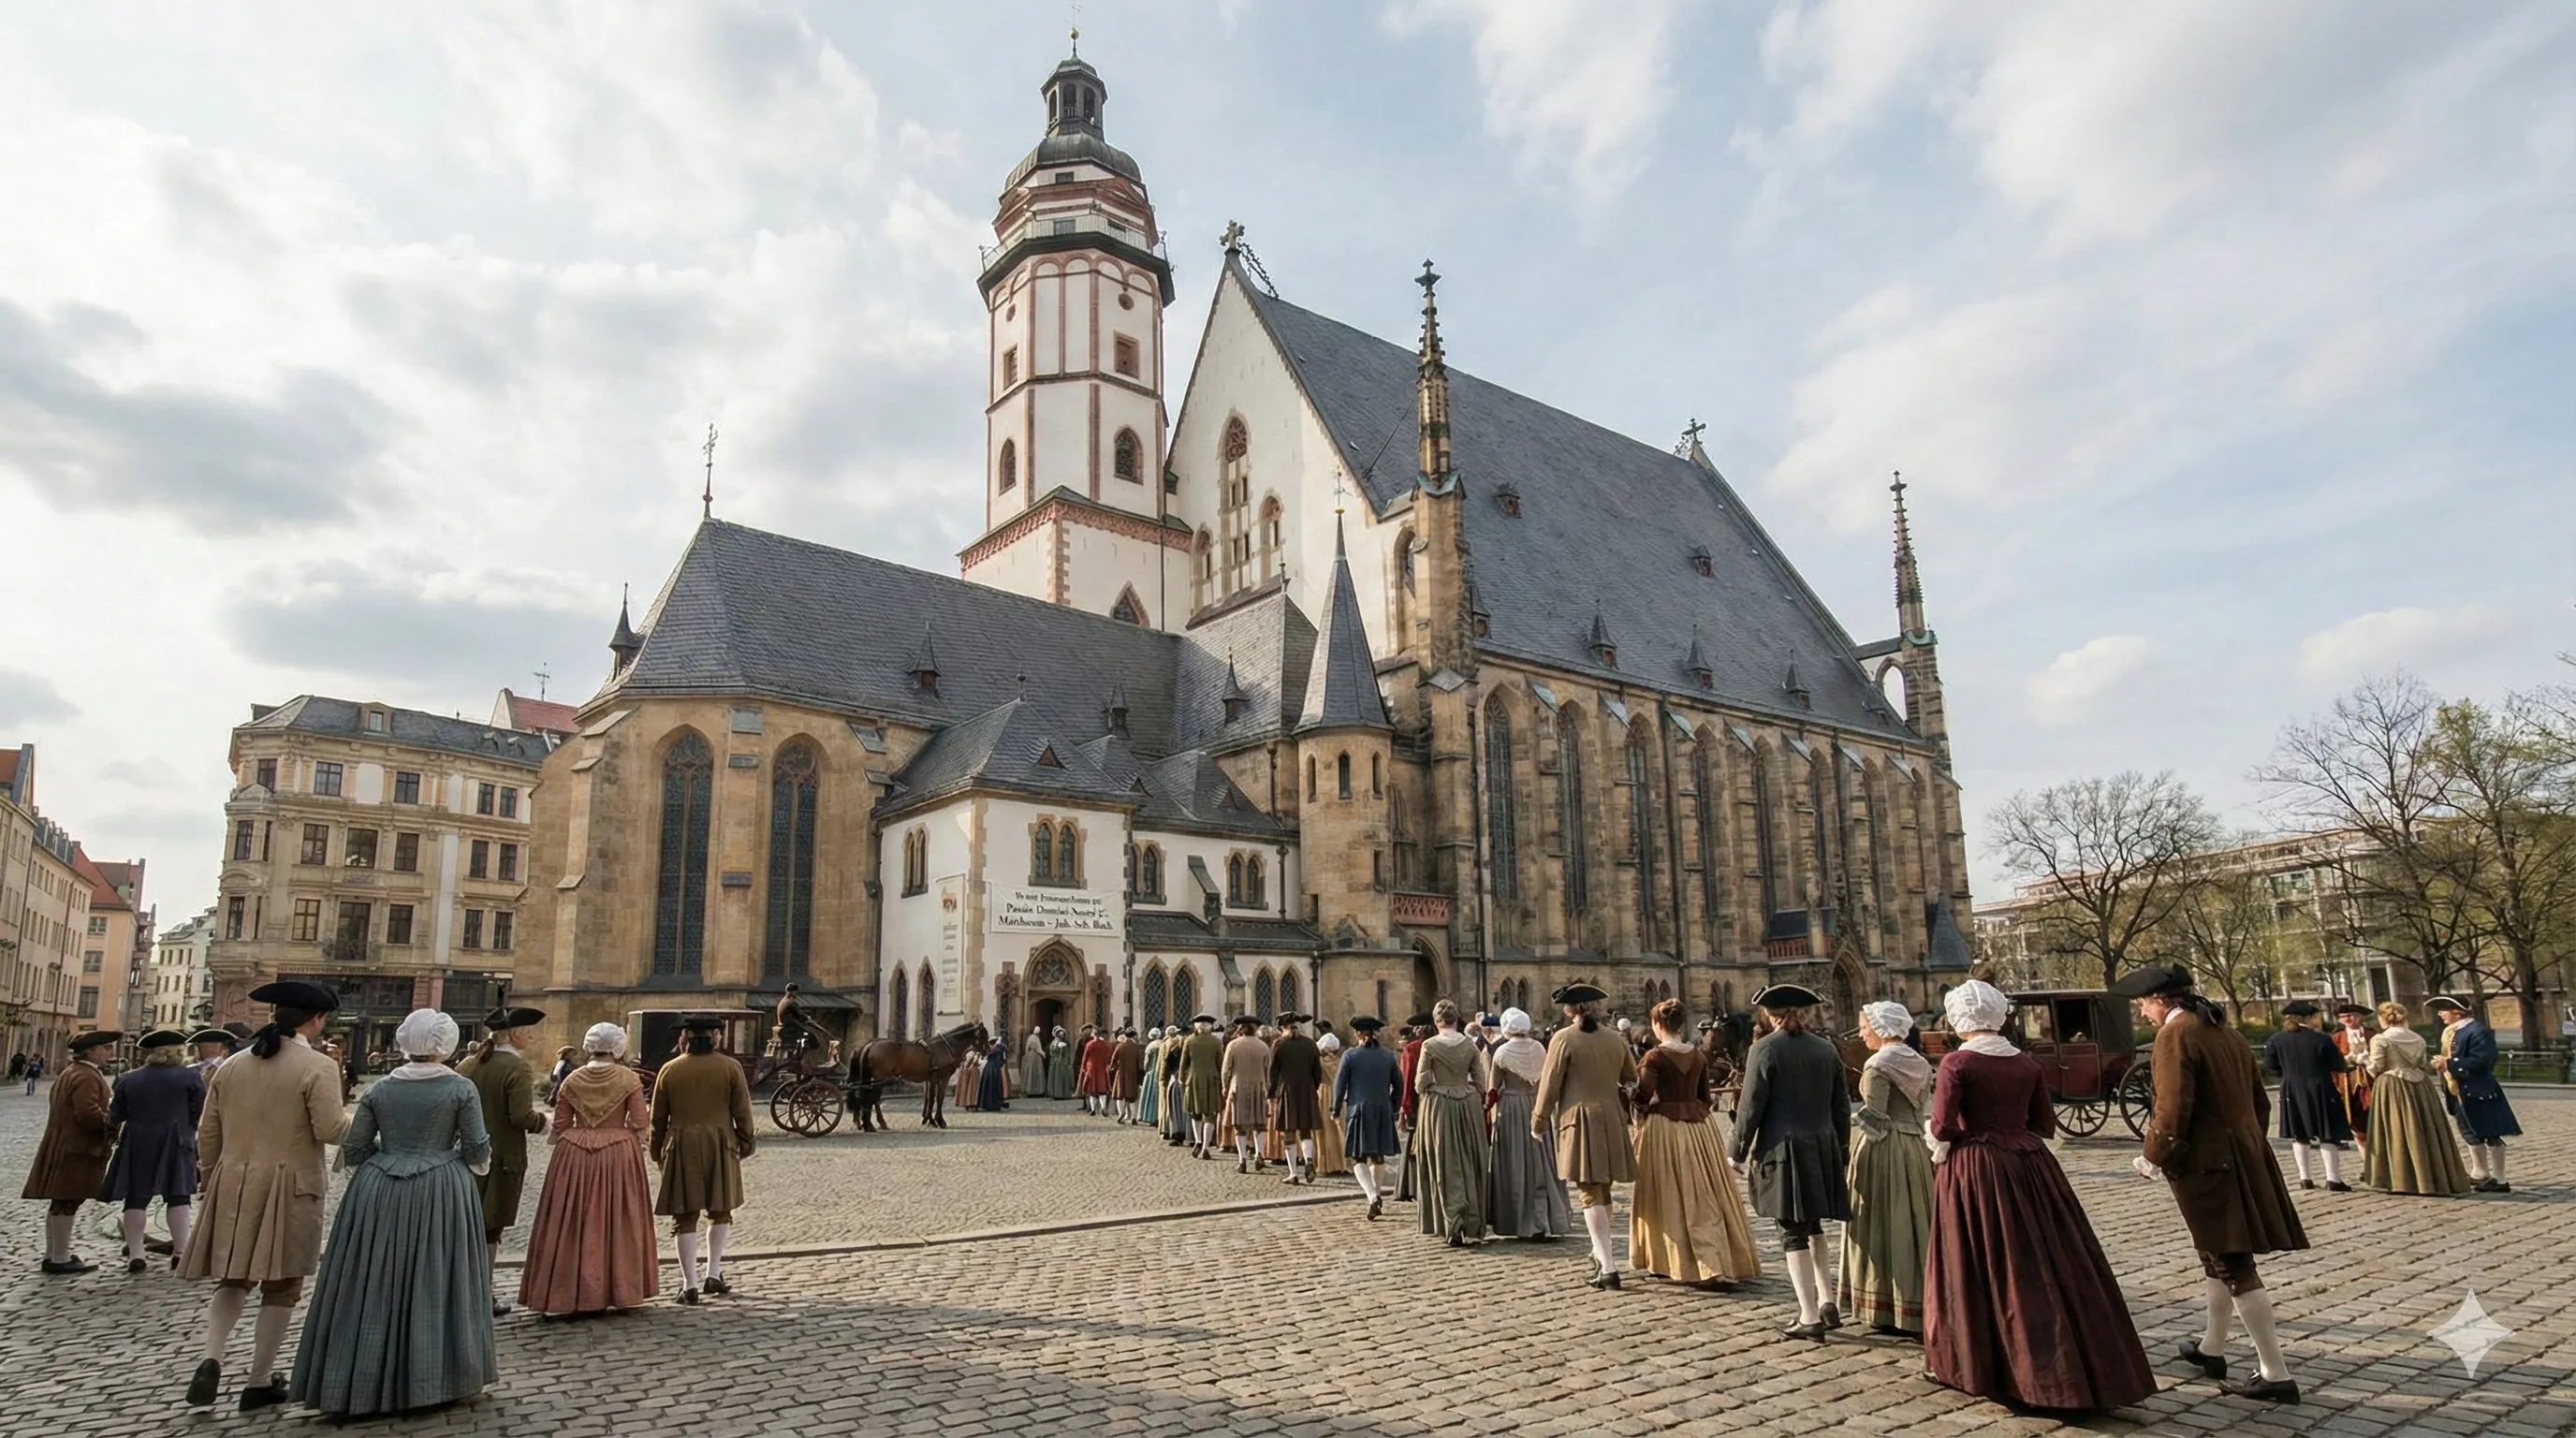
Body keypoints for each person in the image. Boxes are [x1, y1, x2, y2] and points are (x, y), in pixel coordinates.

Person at [1923, 980, 2155, 1412]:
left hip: (1978, 1169)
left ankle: (1987, 1364)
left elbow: (1943, 1127)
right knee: (2044, 1258)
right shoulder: (2025, 1062)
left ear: (1959, 1018)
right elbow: (2043, 1123)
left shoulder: (1958, 1062)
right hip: (2030, 1164)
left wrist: (1947, 1141)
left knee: (1981, 1260)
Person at [2115, 964, 2307, 1405]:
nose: (2143, 1013)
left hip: (2207, 1163)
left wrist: (2154, 1156)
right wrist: (2247, 1145)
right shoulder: (2225, 1031)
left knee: (2232, 1262)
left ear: (2160, 1000)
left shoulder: (2175, 1034)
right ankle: (2212, 1347)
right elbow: (2259, 1102)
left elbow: (2171, 1107)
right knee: (2214, 1255)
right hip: (2238, 1154)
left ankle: (2275, 1372)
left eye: (2143, 1004)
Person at [289, 1009, 495, 1417]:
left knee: (372, 1277)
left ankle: (359, 1376)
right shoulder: (460, 1088)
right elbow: (476, 1148)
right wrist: (448, 1157)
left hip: (379, 1190)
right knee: (438, 1274)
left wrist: (392, 1154)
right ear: (444, 1045)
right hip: (439, 1189)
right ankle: (437, 1376)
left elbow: (356, 1147)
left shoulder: (381, 1088)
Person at [182, 981, 351, 1412]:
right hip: (291, 1186)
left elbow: (207, 1132)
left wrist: (210, 1177)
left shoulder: (232, 1065)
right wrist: (366, 1123)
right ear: (316, 1020)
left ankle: (212, 1356)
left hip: (234, 1181)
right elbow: (330, 1129)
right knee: (283, 1284)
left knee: (233, 1276)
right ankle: (259, 1379)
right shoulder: (317, 1065)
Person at [1728, 984, 1850, 1338]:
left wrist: (1736, 1150)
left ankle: (1809, 1316)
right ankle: (1827, 1301)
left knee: (1792, 1231)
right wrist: (1841, 1150)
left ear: (1771, 1015)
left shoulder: (1764, 1049)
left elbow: (1750, 1107)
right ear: (1805, 1014)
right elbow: (1841, 1107)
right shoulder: (1826, 1049)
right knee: (1814, 1225)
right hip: (1822, 1145)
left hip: (1783, 1150)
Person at [520, 1022, 659, 1317]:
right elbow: (639, 1122)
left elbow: (560, 1125)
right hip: (618, 1152)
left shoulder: (573, 1078)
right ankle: (618, 1290)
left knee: (570, 1219)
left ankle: (567, 1291)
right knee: (618, 1218)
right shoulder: (629, 1078)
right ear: (617, 1047)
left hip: (575, 1154)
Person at [1630, 1000, 1758, 1289]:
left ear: (1658, 1025)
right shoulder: (1698, 1056)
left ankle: (1673, 1258)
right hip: (1700, 1128)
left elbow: (1642, 1096)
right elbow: (1705, 1098)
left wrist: (1632, 1098)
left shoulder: (1654, 1057)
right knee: (1706, 1190)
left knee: (1667, 1191)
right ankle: (1717, 1255)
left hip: (1664, 1128)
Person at [1532, 984, 1636, 1290]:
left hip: (1579, 1119)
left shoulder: (1563, 1038)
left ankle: (1608, 1266)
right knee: (1602, 1189)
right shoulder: (1616, 1039)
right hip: (1611, 1117)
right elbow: (1631, 1078)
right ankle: (1599, 1253)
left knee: (1589, 1192)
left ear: (1569, 1010)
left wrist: (1538, 1120)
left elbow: (1549, 1085)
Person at [1840, 1000, 1934, 1336]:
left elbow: (1876, 1121)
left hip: (1885, 1150)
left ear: (1881, 1028)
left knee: (1883, 1222)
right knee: (1915, 1221)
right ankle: (1922, 1296)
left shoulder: (1877, 1065)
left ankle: (1887, 1302)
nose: (1861, 1033)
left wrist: (1846, 1123)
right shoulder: (1919, 1061)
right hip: (1915, 1147)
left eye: (1865, 1027)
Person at [651, 1014, 756, 1304]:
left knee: (684, 1216)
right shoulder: (731, 1068)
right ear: (716, 1037)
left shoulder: (669, 1069)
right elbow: (742, 1112)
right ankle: (713, 1273)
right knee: (720, 1211)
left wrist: (656, 1150)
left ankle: (689, 1285)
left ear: (685, 1038)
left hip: (681, 1146)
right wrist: (746, 1142)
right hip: (720, 1145)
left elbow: (657, 1118)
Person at [455, 1005, 548, 1316]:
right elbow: (520, 1116)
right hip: (501, 1158)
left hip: (465, 1155)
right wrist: (545, 1123)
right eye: (528, 1032)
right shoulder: (516, 1067)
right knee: (490, 1228)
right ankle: (483, 1293)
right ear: (516, 1033)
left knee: (464, 1224)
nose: (531, 1037)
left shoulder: (468, 1063)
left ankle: (460, 1290)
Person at [99, 1028, 205, 1273]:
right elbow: (199, 1109)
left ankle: (136, 1254)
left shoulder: (128, 1078)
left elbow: (115, 1115)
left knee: (136, 1197)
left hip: (138, 1141)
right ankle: (180, 1252)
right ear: (175, 1052)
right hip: (178, 1140)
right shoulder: (189, 1076)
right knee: (178, 1195)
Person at [23, 1029, 121, 1274]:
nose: (109, 1053)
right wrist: (112, 1124)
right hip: (78, 1147)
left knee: (62, 1201)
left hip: (66, 1144)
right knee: (68, 1200)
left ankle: (54, 1254)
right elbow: (88, 1114)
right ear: (91, 1051)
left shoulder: (72, 1071)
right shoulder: (86, 1076)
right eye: (105, 1048)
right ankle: (59, 1258)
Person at [2361, 1000, 2472, 1196]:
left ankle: (2402, 1180)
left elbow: (2375, 1067)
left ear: (2383, 1018)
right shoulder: (2417, 1038)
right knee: (2424, 1129)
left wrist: (2361, 1059)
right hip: (2420, 1087)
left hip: (2392, 1085)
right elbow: (2422, 1064)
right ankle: (2431, 1177)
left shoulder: (2380, 1039)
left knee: (2397, 1130)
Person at [1485, 1008, 1570, 1240]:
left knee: (1516, 1160)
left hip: (1512, 1107)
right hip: (1536, 1103)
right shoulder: (1539, 1048)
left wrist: (1486, 1109)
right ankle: (1543, 1217)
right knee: (1541, 1159)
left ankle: (1518, 1219)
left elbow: (1493, 1090)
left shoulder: (1502, 1051)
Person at [1413, 1001, 1491, 1246]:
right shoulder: (1469, 1044)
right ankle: (1471, 1219)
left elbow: (1420, 1083)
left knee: (1443, 1160)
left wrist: (1435, 1087)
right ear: (1456, 1019)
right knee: (1469, 1159)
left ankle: (1451, 1222)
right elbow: (1480, 1081)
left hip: (1439, 1105)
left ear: (1436, 1022)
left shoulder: (1429, 1045)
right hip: (1467, 1104)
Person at [2430, 995, 2520, 1193]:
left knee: (2490, 1133)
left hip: (2478, 1089)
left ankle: (2500, 1179)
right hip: (2458, 1089)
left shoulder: (2477, 1031)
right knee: (2469, 1132)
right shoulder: (2452, 1031)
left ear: (2458, 1012)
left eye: (2444, 1009)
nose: (2440, 1014)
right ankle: (2480, 1173)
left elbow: (2484, 1060)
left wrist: (2449, 1064)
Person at [2262, 1000, 2351, 1192]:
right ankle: (2333, 1179)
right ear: (2308, 1018)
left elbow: (2270, 1067)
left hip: (2291, 1089)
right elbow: (2338, 1065)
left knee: (2299, 1133)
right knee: (2327, 1133)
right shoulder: (2321, 1039)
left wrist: (2288, 1074)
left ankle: (2305, 1178)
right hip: (2320, 1087)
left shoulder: (2276, 1039)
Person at [1331, 1016, 1404, 1217]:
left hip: (1358, 1110)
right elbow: (1399, 1086)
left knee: (1359, 1157)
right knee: (1378, 1156)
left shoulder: (1350, 1055)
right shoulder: (1388, 1055)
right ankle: (1376, 1193)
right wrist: (1393, 1107)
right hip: (1382, 1109)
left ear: (1357, 1033)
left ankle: (1372, 1196)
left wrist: (1335, 1109)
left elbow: (1340, 1086)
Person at [1268, 1014, 1325, 1184]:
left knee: (1289, 1131)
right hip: (1307, 1089)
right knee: (1306, 1131)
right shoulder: (1310, 1043)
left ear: (1283, 1027)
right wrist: (1313, 1087)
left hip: (1287, 1090)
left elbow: (1273, 1072)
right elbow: (1317, 1071)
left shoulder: (1279, 1044)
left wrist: (1271, 1092)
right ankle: (1308, 1160)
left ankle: (1293, 1173)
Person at [1220, 1017, 1272, 1174]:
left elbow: (1226, 1069)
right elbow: (1268, 1070)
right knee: (1259, 1123)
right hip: (1259, 1087)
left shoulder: (1233, 1045)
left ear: (1241, 1029)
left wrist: (1225, 1086)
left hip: (1238, 1087)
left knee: (1239, 1125)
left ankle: (1242, 1159)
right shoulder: (1263, 1046)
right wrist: (1267, 1087)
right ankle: (1258, 1153)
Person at [1177, 1014, 1225, 1158]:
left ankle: (1198, 1140)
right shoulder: (1216, 1042)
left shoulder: (1189, 1040)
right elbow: (1220, 1063)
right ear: (1210, 1026)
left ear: (1196, 1026)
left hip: (1193, 1079)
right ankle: (1205, 1147)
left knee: (1195, 1112)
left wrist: (1182, 1078)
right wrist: (1223, 1082)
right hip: (1212, 1080)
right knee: (1209, 1115)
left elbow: (1183, 1063)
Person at [2328, 1004, 2373, 1150]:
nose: (2347, 1019)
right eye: (2343, 1017)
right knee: (2356, 1119)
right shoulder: (2336, 1037)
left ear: (2360, 1017)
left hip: (2371, 1080)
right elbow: (2332, 1064)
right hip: (2347, 1082)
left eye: (2351, 1015)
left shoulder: (2372, 1034)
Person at [1312, 1030, 1350, 1177]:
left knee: (1324, 1129)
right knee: (1339, 1128)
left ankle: (1326, 1164)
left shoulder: (1319, 1062)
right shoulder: (1341, 1061)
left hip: (1323, 1093)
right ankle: (1343, 1163)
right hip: (1338, 1094)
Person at [1110, 1027, 1146, 1124]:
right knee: (1132, 1096)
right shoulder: (1137, 1047)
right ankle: (1134, 1117)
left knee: (1120, 1095)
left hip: (1121, 1073)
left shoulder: (1120, 1046)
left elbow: (1113, 1059)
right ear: (1134, 1036)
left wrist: (1114, 1067)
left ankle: (1121, 1114)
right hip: (1133, 1073)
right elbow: (1140, 1062)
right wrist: (1140, 1073)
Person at [1076, 1025, 1114, 1116]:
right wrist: (1108, 1064)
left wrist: (1083, 1068)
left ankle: (1093, 1109)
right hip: (1102, 1068)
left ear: (1094, 1034)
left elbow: (1085, 1057)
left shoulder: (1090, 1044)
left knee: (1091, 1090)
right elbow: (1108, 1056)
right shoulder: (1106, 1044)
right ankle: (1103, 1107)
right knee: (1102, 1089)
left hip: (1091, 1068)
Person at [773, 983, 814, 1062]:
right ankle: (804, 1055)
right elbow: (800, 1014)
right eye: (796, 992)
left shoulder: (783, 1000)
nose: (797, 994)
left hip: (783, 1024)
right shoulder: (791, 1002)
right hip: (789, 1025)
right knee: (810, 1033)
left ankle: (798, 1053)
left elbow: (795, 1014)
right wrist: (807, 1018)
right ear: (793, 992)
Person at [973, 1033, 1011, 1112]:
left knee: (990, 1088)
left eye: (990, 1045)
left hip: (991, 1070)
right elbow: (1002, 1061)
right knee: (992, 1087)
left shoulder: (996, 1050)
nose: (989, 1046)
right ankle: (993, 1104)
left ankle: (991, 1104)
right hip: (993, 1070)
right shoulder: (999, 1049)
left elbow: (993, 1057)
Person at [1136, 1028, 1164, 1128]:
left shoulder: (1150, 1046)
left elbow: (1147, 1062)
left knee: (1150, 1095)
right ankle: (1160, 1117)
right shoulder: (1162, 1044)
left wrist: (1146, 1070)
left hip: (1152, 1072)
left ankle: (1150, 1116)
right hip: (1161, 1071)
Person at [1046, 1025, 1076, 1101]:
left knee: (1063, 1077)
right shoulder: (1056, 1042)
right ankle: (1058, 1093)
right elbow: (1053, 1051)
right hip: (1058, 1062)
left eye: (1063, 1034)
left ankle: (1062, 1093)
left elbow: (1066, 1052)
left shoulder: (1063, 1042)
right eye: (1060, 1034)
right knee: (1058, 1077)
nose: (1062, 1035)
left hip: (1061, 1061)